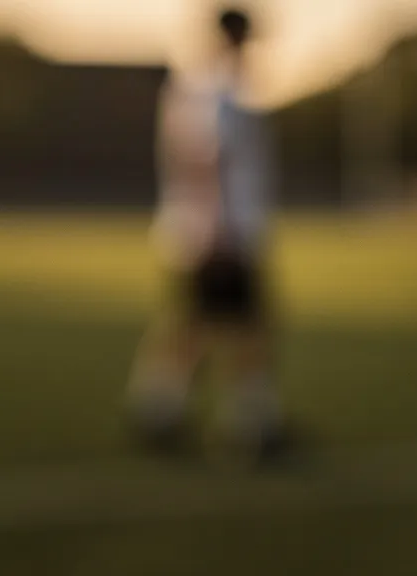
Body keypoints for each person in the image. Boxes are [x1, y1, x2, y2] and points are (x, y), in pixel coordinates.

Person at [127, 7, 282, 461]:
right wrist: (219, 231)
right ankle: (254, 423)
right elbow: (203, 160)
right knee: (247, 327)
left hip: (211, 231)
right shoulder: (212, 90)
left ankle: (159, 412)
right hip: (220, 233)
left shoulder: (207, 87)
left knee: (194, 327)